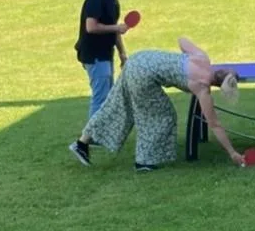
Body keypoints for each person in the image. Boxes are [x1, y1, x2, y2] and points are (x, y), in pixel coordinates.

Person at [69, 37, 245, 171]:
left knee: (115, 104)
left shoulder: (201, 58)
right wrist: (232, 153)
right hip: (143, 76)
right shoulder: (202, 89)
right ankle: (144, 162)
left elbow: (182, 40)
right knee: (163, 116)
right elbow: (215, 125)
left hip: (138, 60)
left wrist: (179, 62)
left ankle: (82, 143)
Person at [75, 0, 129, 119]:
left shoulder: (113, 0)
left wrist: (122, 53)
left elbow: (114, 29)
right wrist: (117, 28)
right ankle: (91, 133)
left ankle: (102, 130)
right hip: (94, 56)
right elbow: (91, 27)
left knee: (107, 98)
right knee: (101, 98)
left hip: (106, 55)